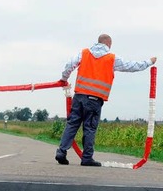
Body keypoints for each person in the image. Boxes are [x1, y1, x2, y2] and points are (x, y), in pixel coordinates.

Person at [55, 34, 157, 166]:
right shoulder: (112, 58)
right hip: (94, 100)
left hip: (79, 96)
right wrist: (149, 62)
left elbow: (69, 65)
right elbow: (132, 66)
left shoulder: (84, 53)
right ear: (108, 44)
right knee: (90, 128)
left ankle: (61, 151)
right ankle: (87, 158)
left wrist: (64, 78)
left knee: (72, 124)